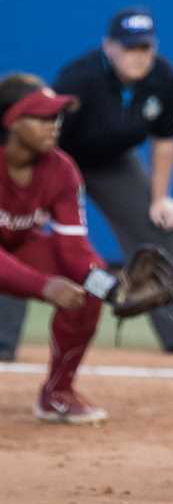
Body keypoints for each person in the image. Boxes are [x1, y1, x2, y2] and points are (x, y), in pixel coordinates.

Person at [0, 8, 173, 357]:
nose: (138, 56)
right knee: (16, 235)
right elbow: (40, 138)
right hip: (58, 159)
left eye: (144, 48)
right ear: (109, 47)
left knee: (157, 228)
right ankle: (2, 341)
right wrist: (30, 197)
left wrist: (160, 199)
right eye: (129, 48)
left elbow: (165, 140)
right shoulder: (79, 80)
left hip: (115, 163)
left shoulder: (162, 78)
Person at [0, 74, 110, 424]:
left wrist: (111, 288)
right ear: (12, 122)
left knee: (87, 289)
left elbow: (74, 251)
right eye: (43, 117)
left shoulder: (61, 169)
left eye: (56, 117)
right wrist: (43, 286)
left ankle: (57, 393)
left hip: (17, 248)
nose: (54, 125)